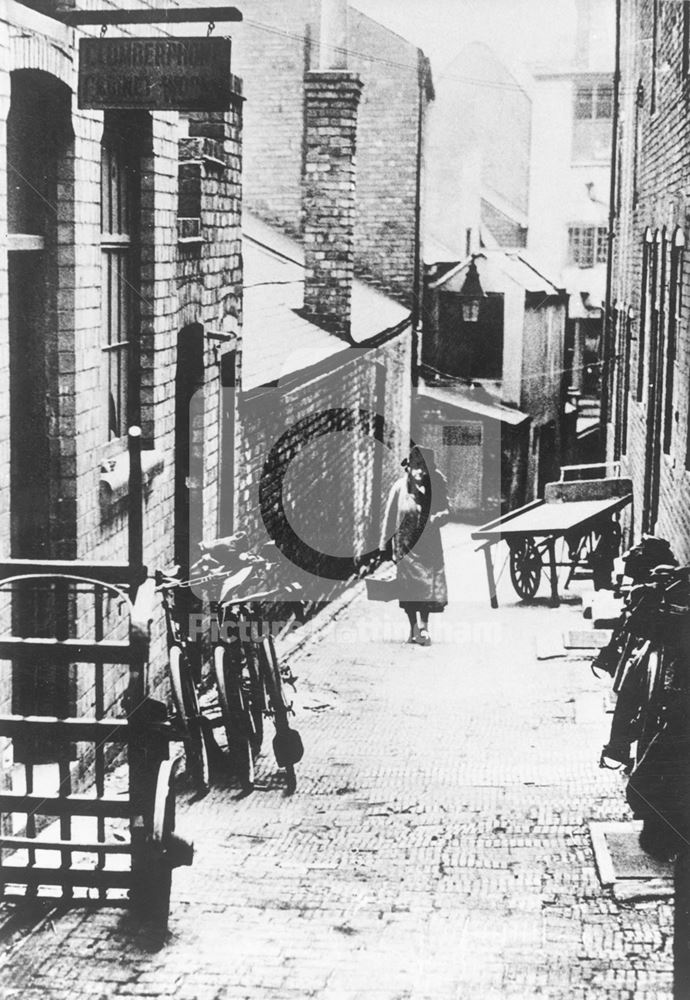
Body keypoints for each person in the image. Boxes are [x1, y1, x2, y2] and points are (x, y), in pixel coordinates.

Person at [379, 445, 450, 646]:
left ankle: (424, 628)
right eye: (415, 467)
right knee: (408, 590)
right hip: (405, 547)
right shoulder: (399, 488)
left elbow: (447, 510)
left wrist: (437, 518)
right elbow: (389, 517)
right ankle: (412, 628)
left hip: (429, 546)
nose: (419, 472)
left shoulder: (437, 485)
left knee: (426, 588)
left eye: (423, 468)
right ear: (408, 467)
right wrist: (384, 546)